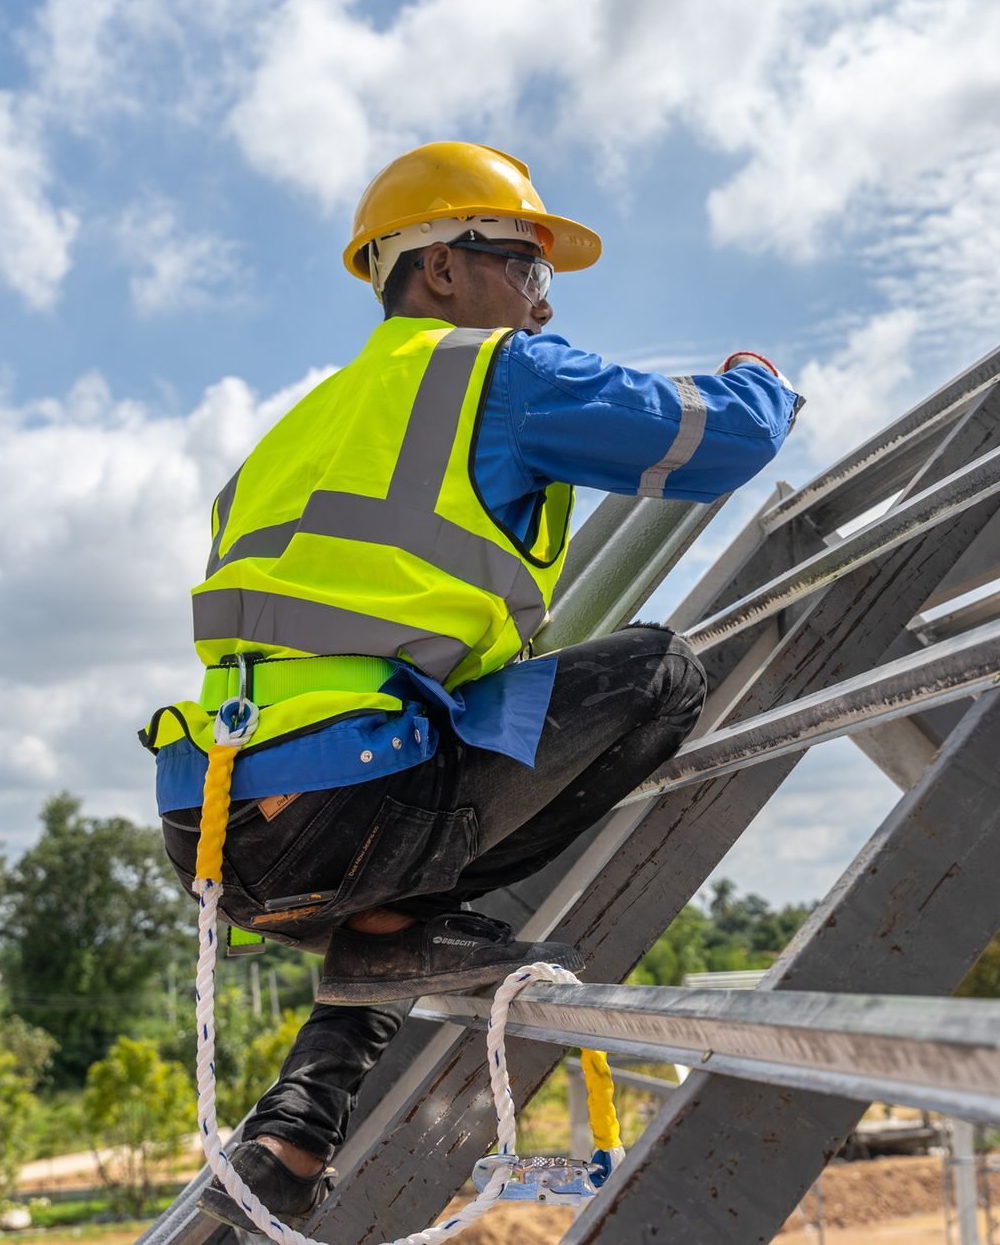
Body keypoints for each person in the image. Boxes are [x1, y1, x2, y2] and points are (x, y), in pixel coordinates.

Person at [140, 140, 802, 1230]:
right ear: (440, 269)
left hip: (216, 829)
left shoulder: (288, 434)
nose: (540, 303)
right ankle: (395, 923)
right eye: (525, 265)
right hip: (356, 797)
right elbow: (715, 444)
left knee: (396, 905)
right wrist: (761, 379)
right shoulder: (494, 374)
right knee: (659, 674)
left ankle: (296, 1130)